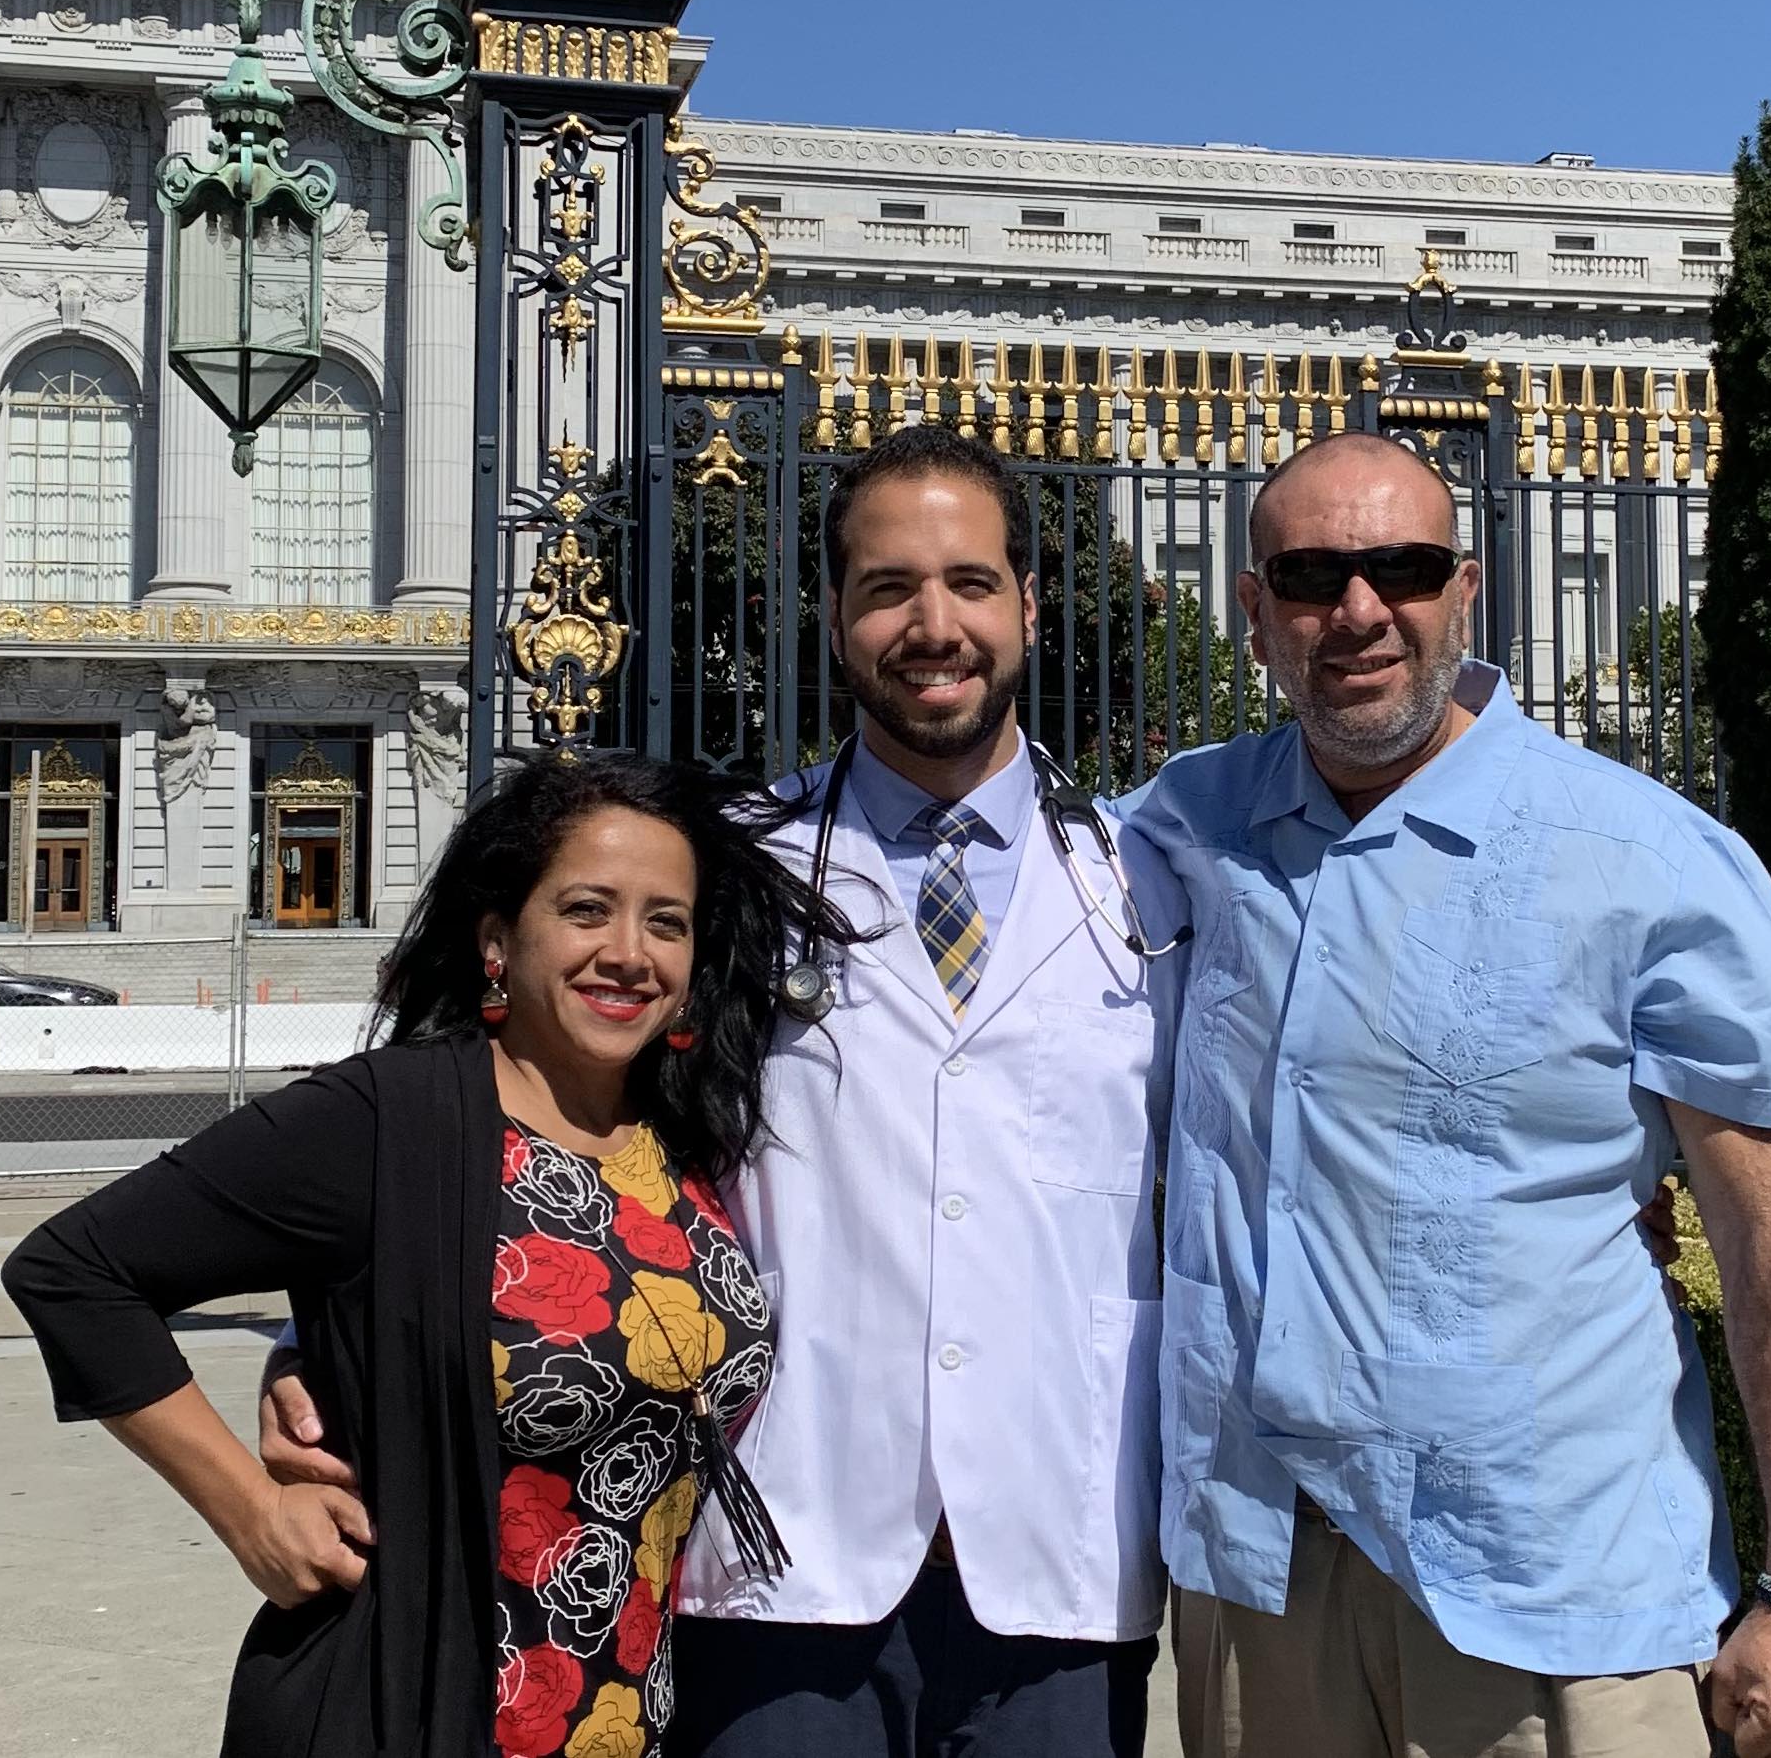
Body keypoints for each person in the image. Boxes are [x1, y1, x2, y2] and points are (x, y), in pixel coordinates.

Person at [266, 423, 1185, 1758]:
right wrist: (325, 1340)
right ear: (832, 614)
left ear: (1029, 607)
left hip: (1061, 1536)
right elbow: (510, 1102)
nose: (933, 624)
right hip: (782, 1537)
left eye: (970, 583)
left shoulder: (1152, 881)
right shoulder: (725, 876)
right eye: (887, 588)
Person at [1123, 429, 1771, 1758]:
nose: (1358, 610)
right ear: (1253, 611)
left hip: (1544, 1592)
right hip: (1257, 1579)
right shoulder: (1184, 825)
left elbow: (1768, 1234)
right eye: (1309, 575)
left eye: (1399, 567)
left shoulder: (1646, 861)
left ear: (1464, 589)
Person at [5, 750, 844, 1758]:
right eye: (586, 909)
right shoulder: (388, 1119)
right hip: (419, 1707)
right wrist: (248, 1508)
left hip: (631, 1716)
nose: (629, 951)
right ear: (498, 939)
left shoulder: (677, 1143)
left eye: (665, 920)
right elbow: (74, 1271)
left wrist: (297, 1343)